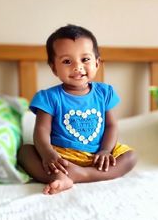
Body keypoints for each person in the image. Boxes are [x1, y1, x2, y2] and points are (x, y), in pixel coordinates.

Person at [17, 24, 137, 195]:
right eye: (67, 61)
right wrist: (48, 155)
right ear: (53, 67)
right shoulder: (48, 97)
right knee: (25, 152)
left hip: (97, 156)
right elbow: (41, 131)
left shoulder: (105, 93)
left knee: (130, 157)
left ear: (97, 63)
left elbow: (111, 126)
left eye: (85, 59)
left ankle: (79, 175)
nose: (77, 67)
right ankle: (61, 174)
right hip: (62, 157)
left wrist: (105, 150)